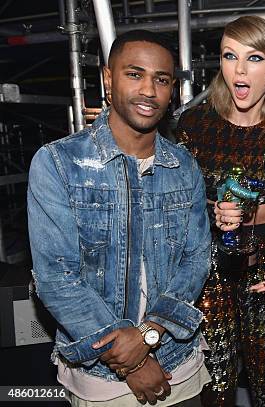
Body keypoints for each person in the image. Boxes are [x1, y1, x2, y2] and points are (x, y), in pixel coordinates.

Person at [27, 30, 211, 406]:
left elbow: (196, 259)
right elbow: (56, 277)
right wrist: (132, 363)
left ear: (172, 89)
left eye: (161, 80)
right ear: (108, 78)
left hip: (180, 362)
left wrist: (149, 336)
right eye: (134, 74)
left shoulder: (183, 165)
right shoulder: (60, 163)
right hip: (103, 378)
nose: (149, 90)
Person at [176, 16, 265, 407]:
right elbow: (180, 203)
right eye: (229, 56)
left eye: (253, 58)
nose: (239, 69)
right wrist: (210, 208)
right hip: (208, 267)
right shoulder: (195, 124)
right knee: (215, 382)